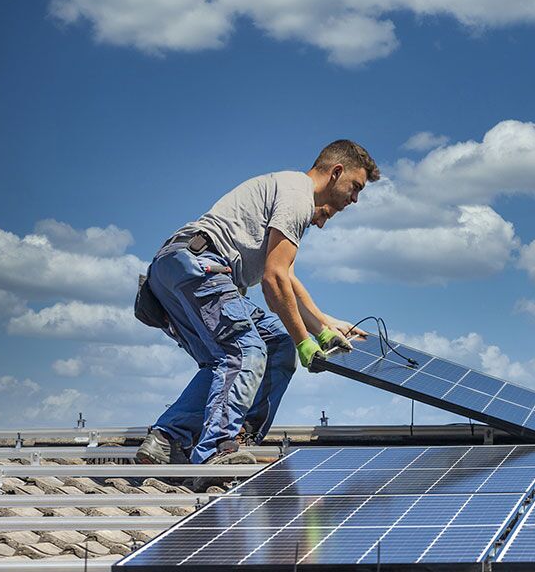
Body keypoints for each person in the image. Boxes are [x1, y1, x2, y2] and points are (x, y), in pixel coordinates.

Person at [134, 140, 380, 467]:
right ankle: (220, 448)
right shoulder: (298, 196)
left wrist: (325, 323)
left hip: (175, 269)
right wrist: (306, 342)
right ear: (336, 172)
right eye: (355, 187)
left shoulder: (287, 192)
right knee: (245, 351)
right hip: (202, 266)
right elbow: (273, 281)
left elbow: (287, 278)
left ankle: (167, 438)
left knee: (272, 346)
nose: (354, 198)